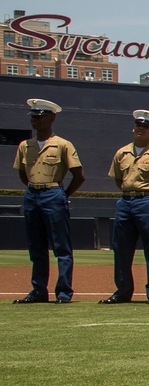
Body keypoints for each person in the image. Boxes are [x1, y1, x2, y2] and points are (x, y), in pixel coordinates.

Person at [101, 109, 149, 305]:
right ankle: (123, 291)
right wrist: (131, 193)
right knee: (121, 249)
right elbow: (119, 179)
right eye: (138, 126)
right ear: (133, 128)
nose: (140, 129)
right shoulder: (122, 153)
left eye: (146, 127)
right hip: (126, 201)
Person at [13, 98, 84, 304]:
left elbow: (79, 175)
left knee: (61, 247)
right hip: (32, 194)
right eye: (33, 116)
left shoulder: (62, 144)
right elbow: (22, 173)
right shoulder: (25, 145)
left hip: (53, 193)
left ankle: (63, 292)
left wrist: (62, 195)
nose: (35, 120)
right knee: (36, 247)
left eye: (40, 116)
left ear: (51, 118)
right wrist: (34, 186)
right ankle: (38, 290)